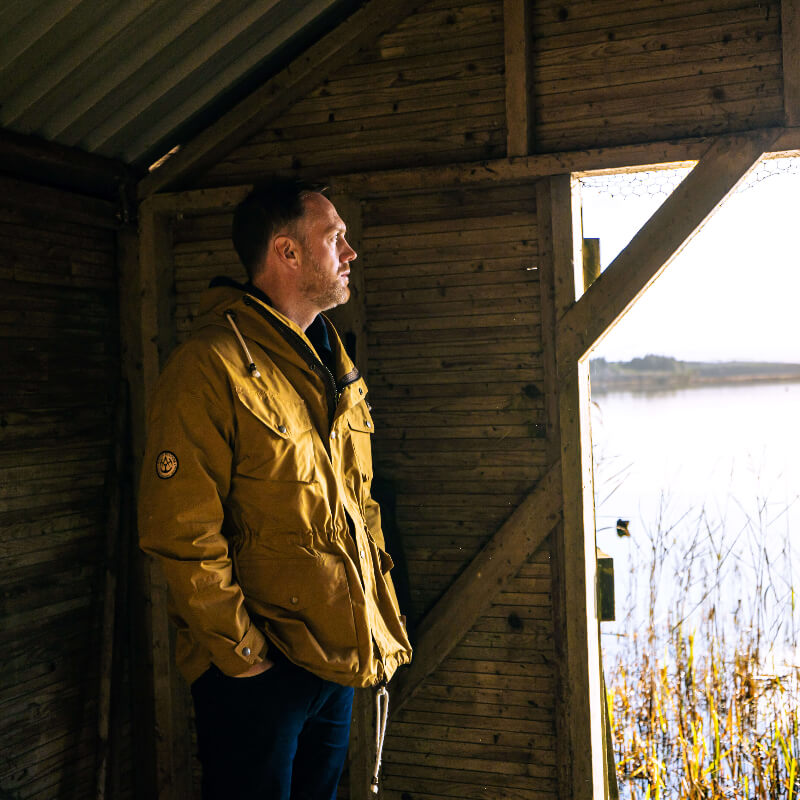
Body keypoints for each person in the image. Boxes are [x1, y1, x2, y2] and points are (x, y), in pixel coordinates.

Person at [138, 177, 412, 800]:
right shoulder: (210, 367)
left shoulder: (330, 367)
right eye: (334, 237)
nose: (350, 252)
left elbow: (358, 503)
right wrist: (246, 657)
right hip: (256, 676)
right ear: (287, 252)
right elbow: (179, 532)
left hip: (335, 659)